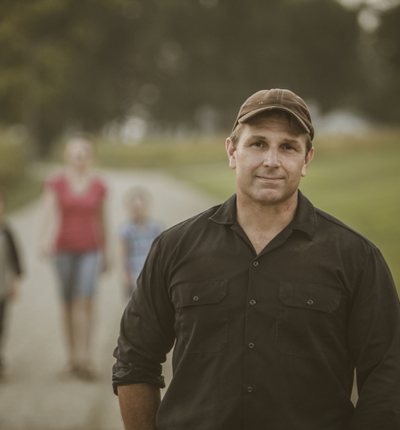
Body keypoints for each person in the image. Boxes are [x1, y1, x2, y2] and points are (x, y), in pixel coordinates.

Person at [112, 89, 400, 429]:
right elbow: (134, 360)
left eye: (288, 146)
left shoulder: (357, 258)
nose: (272, 161)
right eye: (258, 143)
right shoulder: (173, 248)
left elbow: (388, 374)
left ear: (306, 159)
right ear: (232, 151)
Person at [39, 134, 108, 380]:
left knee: (86, 300)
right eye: (75, 152)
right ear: (68, 156)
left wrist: (106, 252)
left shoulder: (99, 185)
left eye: (84, 152)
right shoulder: (56, 182)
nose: (79, 157)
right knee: (67, 303)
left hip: (90, 249)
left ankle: (86, 358)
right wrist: (43, 240)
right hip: (63, 249)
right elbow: (47, 212)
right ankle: (71, 358)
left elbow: (103, 219)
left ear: (90, 157)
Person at [118, 187, 162, 299]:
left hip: (151, 276)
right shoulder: (126, 230)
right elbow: (122, 255)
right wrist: (125, 277)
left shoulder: (155, 228)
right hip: (134, 278)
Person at [0, 188, 23, 379]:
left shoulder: (6, 231)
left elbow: (15, 259)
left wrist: (14, 281)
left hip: (2, 289)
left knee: (1, 325)